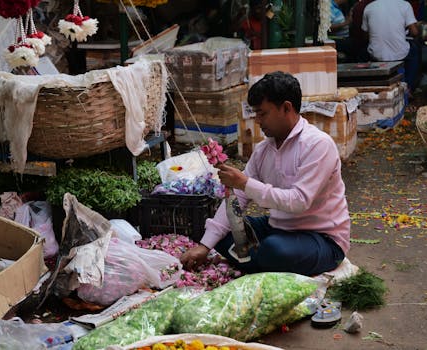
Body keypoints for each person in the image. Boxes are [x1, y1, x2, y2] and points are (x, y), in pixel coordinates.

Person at [180, 71, 350, 276]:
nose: (258, 121)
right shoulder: (264, 149)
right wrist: (205, 247)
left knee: (274, 250)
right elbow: (239, 197)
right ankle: (261, 261)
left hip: (321, 238)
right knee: (217, 232)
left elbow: (299, 202)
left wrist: (245, 183)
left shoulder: (318, 145)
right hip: (278, 229)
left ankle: (257, 260)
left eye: (263, 113)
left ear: (286, 108)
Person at [362, 0, 420, 93]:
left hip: (376, 54)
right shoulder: (404, 5)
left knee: (363, 51)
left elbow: (366, 35)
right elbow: (414, 32)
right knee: (415, 50)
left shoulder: (369, 7)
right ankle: (408, 87)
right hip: (400, 54)